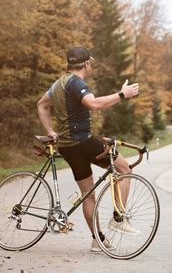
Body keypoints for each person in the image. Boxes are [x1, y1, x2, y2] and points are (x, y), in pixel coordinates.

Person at [37, 46, 140, 253]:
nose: (91, 64)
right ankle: (119, 218)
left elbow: (41, 105)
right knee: (124, 168)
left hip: (67, 146)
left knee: (87, 194)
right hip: (83, 142)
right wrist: (122, 94)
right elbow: (93, 104)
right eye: (90, 62)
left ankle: (97, 240)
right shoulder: (76, 83)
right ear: (85, 64)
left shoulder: (57, 84)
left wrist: (51, 130)